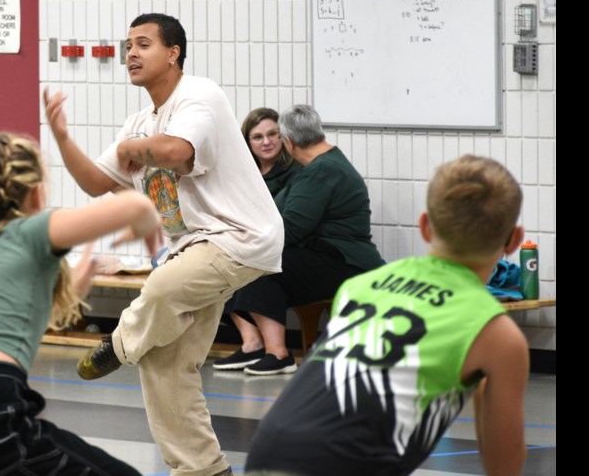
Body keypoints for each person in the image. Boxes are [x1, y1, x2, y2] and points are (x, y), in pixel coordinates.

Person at [43, 13, 284, 476]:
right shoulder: (138, 122)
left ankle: (117, 344)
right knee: (164, 363)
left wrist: (135, 151)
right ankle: (202, 470)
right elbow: (96, 182)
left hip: (239, 237)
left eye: (143, 44)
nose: (130, 53)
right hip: (192, 246)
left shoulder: (200, 95)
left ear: (173, 53)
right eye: (127, 45)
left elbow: (176, 152)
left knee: (158, 291)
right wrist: (62, 138)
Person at [0, 132, 161, 476]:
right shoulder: (28, 231)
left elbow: (13, 319)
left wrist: (76, 283)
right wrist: (147, 219)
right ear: (35, 192)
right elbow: (135, 205)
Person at [245, 155, 529, 476]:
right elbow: (504, 464)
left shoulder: (361, 286)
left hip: (268, 446)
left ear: (425, 226)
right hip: (341, 463)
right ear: (515, 240)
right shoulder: (495, 331)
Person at [215, 104, 382, 376]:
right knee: (246, 262)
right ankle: (259, 346)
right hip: (332, 257)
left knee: (261, 267)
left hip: (347, 263)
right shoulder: (323, 165)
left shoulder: (320, 170)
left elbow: (290, 229)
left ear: (289, 142)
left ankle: (278, 354)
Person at [241, 107, 302, 197]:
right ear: (247, 142)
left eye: (272, 134)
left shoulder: (297, 171)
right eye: (258, 137)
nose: (266, 142)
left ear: (283, 135)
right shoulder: (243, 173)